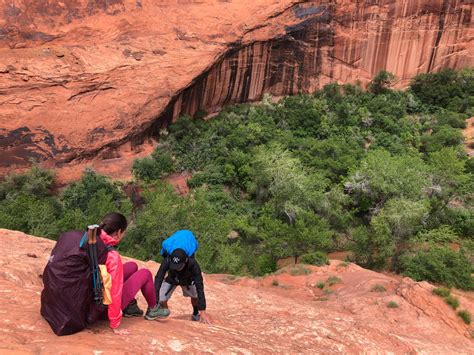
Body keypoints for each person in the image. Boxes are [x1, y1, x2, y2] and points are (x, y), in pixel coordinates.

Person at [153, 230, 211, 324]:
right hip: (172, 274)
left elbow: (199, 286)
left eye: (179, 267)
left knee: (195, 295)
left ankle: (196, 313)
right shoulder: (168, 260)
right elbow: (158, 278)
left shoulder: (192, 263)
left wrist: (203, 311)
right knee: (161, 297)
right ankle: (164, 312)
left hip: (187, 275)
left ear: (186, 261)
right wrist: (154, 303)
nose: (177, 269)